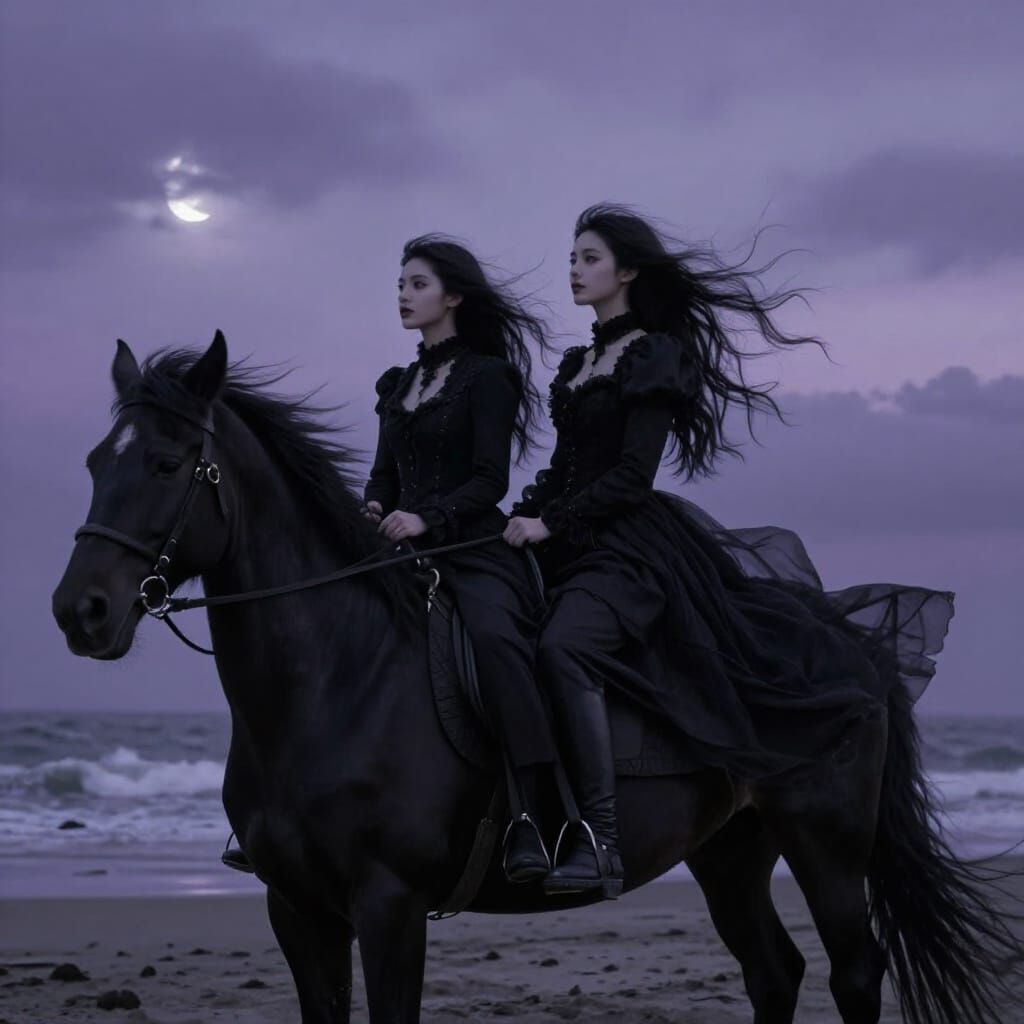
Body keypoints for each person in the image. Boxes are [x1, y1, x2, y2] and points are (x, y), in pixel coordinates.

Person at [504, 204, 953, 899]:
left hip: (629, 547)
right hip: (565, 533)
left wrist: (552, 524)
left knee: (566, 648)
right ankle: (523, 822)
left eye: (588, 258)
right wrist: (523, 515)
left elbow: (630, 475)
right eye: (571, 259)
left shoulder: (654, 353)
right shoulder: (579, 362)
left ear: (625, 271)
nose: (574, 270)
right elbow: (564, 467)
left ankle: (600, 838)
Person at [363, 234, 560, 883]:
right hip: (398, 547)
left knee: (499, 644)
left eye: (416, 284)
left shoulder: (487, 376)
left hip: (474, 547)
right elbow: (383, 475)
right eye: (400, 284)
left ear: (451, 296)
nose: (403, 295)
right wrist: (374, 507)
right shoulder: (398, 385)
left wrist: (428, 517)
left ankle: (533, 814)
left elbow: (489, 480)